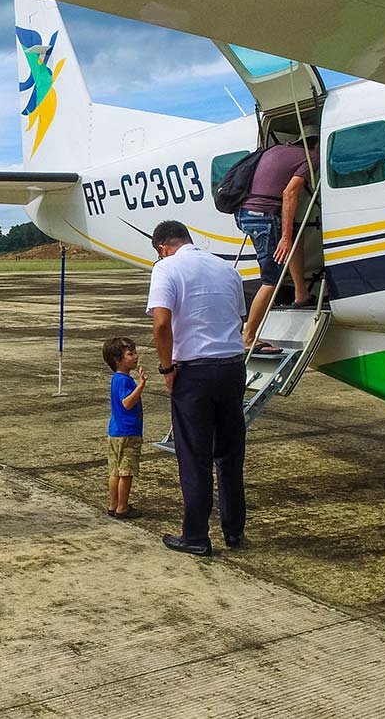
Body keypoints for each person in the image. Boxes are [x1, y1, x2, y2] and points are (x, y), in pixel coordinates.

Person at [147, 220, 247, 556]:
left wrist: (167, 368)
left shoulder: (166, 268)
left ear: (163, 247)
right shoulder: (227, 269)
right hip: (232, 367)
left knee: (194, 457)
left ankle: (195, 536)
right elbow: (238, 318)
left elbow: (161, 323)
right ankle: (234, 531)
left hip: (194, 372)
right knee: (231, 455)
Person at [236, 136, 319, 354]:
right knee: (272, 279)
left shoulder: (275, 150)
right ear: (316, 143)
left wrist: (289, 236)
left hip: (247, 213)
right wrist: (285, 237)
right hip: (263, 217)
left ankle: (301, 294)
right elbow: (289, 193)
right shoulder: (311, 157)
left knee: (296, 239)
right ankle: (249, 336)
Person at [102, 336, 147, 519]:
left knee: (115, 471)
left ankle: (113, 505)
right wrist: (141, 385)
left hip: (115, 431)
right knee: (126, 472)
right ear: (117, 360)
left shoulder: (116, 378)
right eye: (131, 354)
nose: (135, 356)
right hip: (128, 432)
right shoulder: (125, 381)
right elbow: (127, 403)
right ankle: (122, 507)